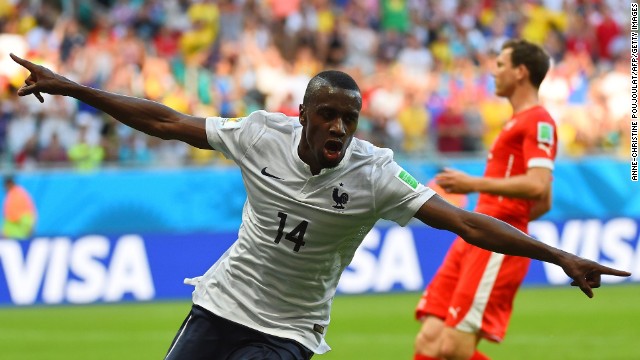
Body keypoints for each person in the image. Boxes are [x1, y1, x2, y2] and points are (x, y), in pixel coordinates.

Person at [9, 52, 630, 360]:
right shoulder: (259, 133)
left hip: (289, 332)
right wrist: (69, 87)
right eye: (328, 115)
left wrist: (558, 255)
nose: (339, 128)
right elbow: (168, 121)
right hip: (221, 305)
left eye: (349, 119)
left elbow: (466, 221)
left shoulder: (375, 174)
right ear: (301, 116)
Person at [414, 39, 561, 360]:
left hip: (494, 239)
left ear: (521, 72)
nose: (493, 72)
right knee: (429, 339)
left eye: (500, 65)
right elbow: (545, 200)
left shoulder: (538, 121)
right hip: (477, 232)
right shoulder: (516, 121)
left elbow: (537, 186)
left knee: (453, 348)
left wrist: (477, 187)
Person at [2, 175, 37, 239]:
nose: (4, 188)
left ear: (9, 184)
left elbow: (13, 216)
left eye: (5, 185)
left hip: (19, 226)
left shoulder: (15, 195)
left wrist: (5, 231)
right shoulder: (20, 192)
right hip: (23, 224)